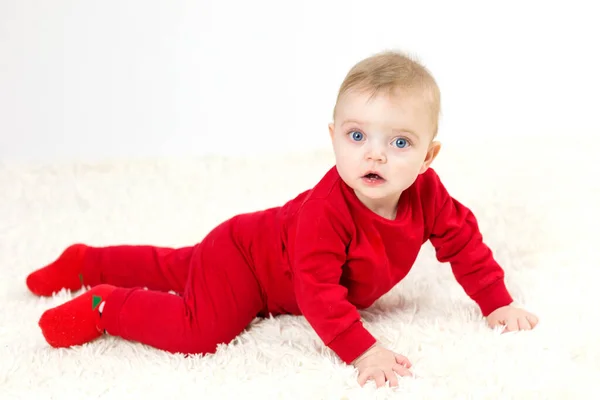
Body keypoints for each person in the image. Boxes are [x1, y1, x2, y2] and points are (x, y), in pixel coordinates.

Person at [26, 50, 539, 388]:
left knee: (176, 267)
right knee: (199, 329)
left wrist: (497, 303)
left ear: (429, 155)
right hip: (247, 263)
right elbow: (318, 292)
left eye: (399, 142)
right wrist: (363, 352)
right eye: (357, 136)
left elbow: (464, 243)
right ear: (334, 134)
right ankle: (103, 304)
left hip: (254, 252)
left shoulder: (428, 196)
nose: (374, 156)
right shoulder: (327, 211)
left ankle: (85, 260)